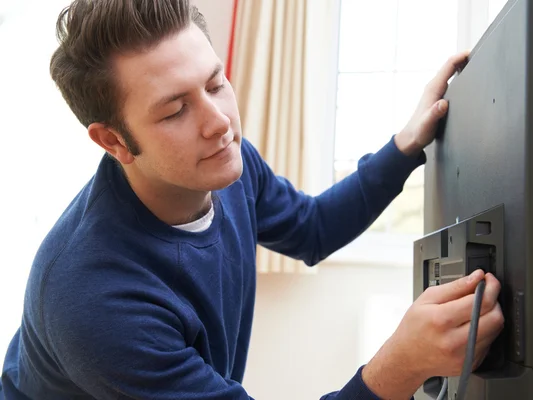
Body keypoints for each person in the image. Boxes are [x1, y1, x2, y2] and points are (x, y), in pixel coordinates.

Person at [0, 1, 504, 399]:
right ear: (113, 141)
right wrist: (402, 365)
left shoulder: (224, 168)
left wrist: (404, 147)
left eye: (216, 83)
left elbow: (312, 228)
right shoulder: (95, 299)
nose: (219, 122)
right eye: (175, 110)